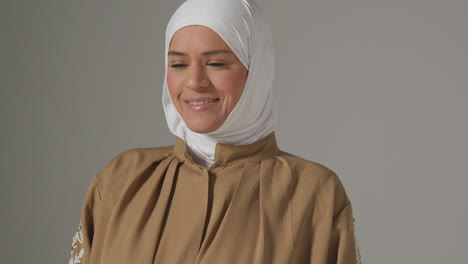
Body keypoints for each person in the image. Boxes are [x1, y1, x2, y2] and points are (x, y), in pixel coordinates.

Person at [68, 0, 360, 263]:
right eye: (179, 64)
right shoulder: (121, 180)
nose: (195, 81)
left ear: (257, 69)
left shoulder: (314, 193)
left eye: (217, 63)